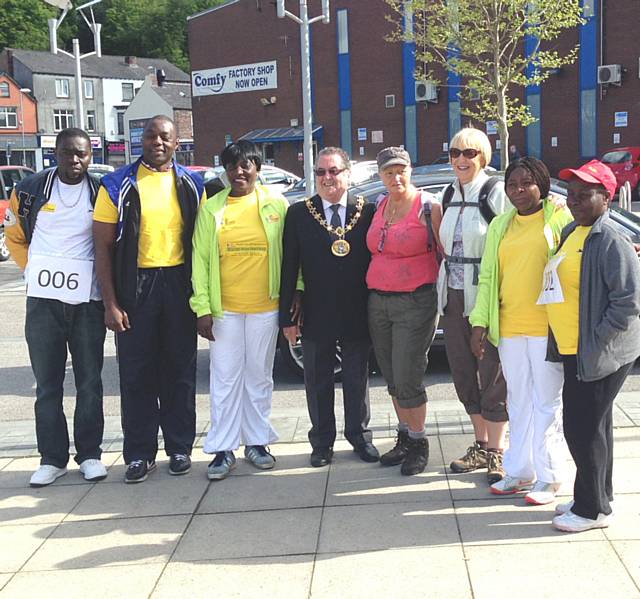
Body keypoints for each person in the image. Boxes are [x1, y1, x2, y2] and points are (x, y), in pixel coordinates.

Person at [93, 115, 205, 483]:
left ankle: (179, 447)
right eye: (151, 136)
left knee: (180, 370)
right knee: (137, 373)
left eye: (165, 137)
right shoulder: (116, 184)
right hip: (135, 286)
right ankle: (140, 454)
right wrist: (111, 303)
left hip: (178, 284)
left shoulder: (193, 184)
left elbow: (203, 247)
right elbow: (103, 250)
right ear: (141, 140)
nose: (158, 142)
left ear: (177, 143)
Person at [5, 128, 107, 486]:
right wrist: (30, 268)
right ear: (56, 154)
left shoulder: (101, 192)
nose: (75, 161)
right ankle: (52, 458)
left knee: (90, 383)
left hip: (87, 303)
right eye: (68, 153)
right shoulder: (30, 191)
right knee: (47, 384)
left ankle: (91, 454)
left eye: (81, 154)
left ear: (90, 155)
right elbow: (14, 235)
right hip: (43, 302)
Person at [469, 157, 572, 503]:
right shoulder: (501, 224)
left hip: (547, 327)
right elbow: (487, 278)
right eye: (512, 185)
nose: (518, 191)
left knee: (547, 402)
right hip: (509, 327)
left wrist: (560, 208)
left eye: (526, 183)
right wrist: (479, 322)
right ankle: (520, 471)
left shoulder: (558, 217)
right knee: (519, 400)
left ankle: (550, 476)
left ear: (541, 184)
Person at [547, 160, 640, 532]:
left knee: (581, 428)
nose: (575, 201)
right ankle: (597, 495)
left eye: (586, 195)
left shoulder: (611, 240)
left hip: (599, 354)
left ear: (607, 197)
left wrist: (597, 338)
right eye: (571, 195)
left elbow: (628, 302)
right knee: (595, 427)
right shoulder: (573, 231)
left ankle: (591, 511)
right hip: (574, 349)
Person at [191, 141, 290, 480]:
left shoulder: (277, 204)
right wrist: (202, 308)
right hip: (225, 311)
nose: (239, 172)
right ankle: (222, 448)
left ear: (257, 168)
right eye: (232, 166)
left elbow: (291, 258)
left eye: (246, 165)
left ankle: (257, 442)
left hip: (266, 307)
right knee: (225, 379)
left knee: (259, 376)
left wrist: (294, 299)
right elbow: (200, 261)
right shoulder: (212, 208)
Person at [279, 147, 379, 467]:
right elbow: (288, 267)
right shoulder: (299, 213)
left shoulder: (368, 211)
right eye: (320, 172)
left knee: (356, 378)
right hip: (316, 309)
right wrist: (286, 316)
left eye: (334, 171)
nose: (327, 178)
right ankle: (322, 441)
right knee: (317, 379)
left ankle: (359, 436)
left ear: (348, 174)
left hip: (357, 308)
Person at [437, 127, 510, 484]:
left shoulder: (496, 192)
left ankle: (497, 450)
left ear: (484, 156)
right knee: (463, 371)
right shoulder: (448, 192)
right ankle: (480, 443)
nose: (461, 159)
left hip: (485, 293)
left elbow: (516, 232)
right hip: (452, 294)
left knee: (492, 372)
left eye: (469, 153)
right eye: (455, 153)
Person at [366, 147, 442, 475]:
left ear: (410, 170)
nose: (395, 177)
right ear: (380, 175)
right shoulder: (381, 204)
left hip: (416, 300)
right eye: (388, 172)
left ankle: (419, 440)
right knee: (392, 376)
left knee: (408, 374)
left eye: (401, 170)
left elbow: (445, 251)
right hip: (379, 301)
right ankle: (403, 436)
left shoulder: (428, 207)